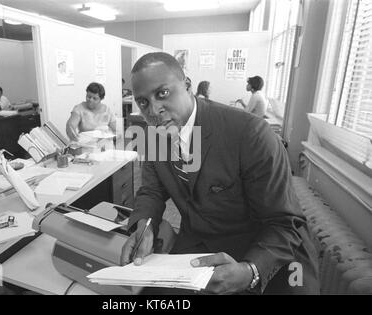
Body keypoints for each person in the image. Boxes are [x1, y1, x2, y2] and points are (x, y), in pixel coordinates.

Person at [120, 52, 319, 295]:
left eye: (162, 93)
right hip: (199, 246)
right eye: (143, 102)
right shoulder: (154, 137)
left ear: (187, 86)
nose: (154, 109)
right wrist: (146, 225)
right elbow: (151, 190)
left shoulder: (250, 134)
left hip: (262, 253)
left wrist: (251, 271)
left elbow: (285, 223)